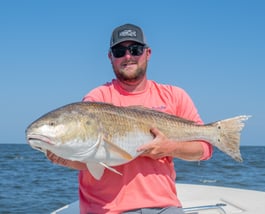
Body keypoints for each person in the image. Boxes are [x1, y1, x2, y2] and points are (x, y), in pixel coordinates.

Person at [47, 23, 213, 214]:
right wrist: (65, 159)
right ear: (110, 57)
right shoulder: (96, 99)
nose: (128, 56)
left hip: (164, 207)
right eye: (119, 51)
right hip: (107, 209)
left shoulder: (175, 96)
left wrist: (171, 148)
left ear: (148, 53)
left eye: (135, 49)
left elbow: (205, 149)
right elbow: (91, 160)